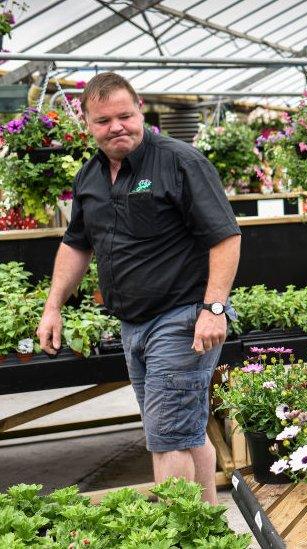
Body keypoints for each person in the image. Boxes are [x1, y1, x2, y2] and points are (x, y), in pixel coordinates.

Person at [36, 72, 241, 505]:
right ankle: (206, 526)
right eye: (103, 120)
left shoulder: (179, 161)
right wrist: (52, 306)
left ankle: (176, 533)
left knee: (165, 439)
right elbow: (76, 245)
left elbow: (225, 236)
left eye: (125, 116)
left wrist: (214, 308)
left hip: (184, 317)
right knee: (182, 430)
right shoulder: (89, 177)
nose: (116, 127)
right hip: (133, 325)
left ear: (140, 109)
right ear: (86, 124)